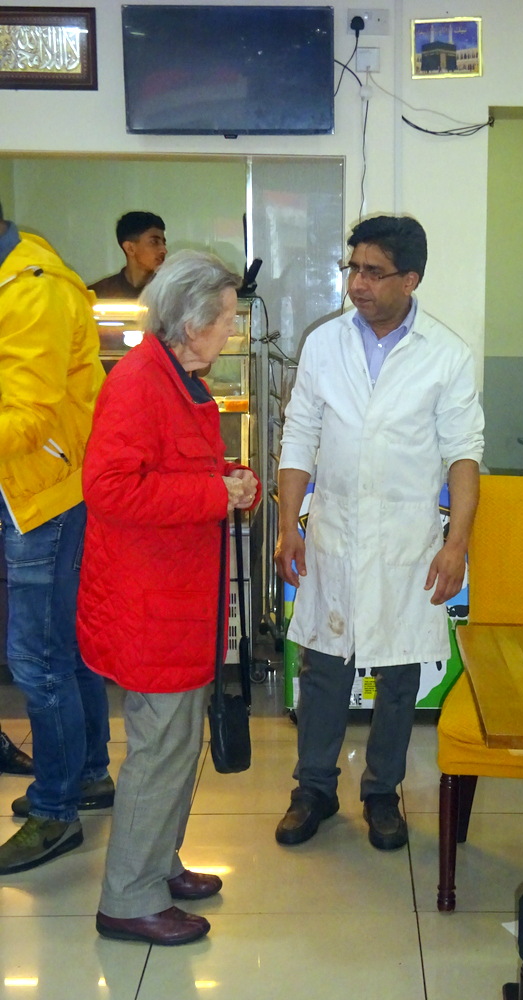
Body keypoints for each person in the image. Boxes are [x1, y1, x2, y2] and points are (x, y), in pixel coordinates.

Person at [274, 215, 484, 852]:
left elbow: (464, 454)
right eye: (353, 268)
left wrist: (456, 544)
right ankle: (313, 789)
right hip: (334, 528)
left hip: (405, 537)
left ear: (410, 279)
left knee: (398, 673)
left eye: (373, 272)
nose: (357, 284)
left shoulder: (446, 354)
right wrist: (287, 525)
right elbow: (300, 434)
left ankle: (382, 792)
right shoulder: (325, 343)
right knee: (324, 664)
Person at [77, 250, 260, 946]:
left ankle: (158, 862)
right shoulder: (138, 383)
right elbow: (111, 489)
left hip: (179, 600)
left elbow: (178, 466)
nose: (232, 329)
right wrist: (215, 493)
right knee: (160, 749)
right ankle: (128, 898)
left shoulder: (178, 376)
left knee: (180, 744)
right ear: (192, 323)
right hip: (150, 605)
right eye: (227, 318)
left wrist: (230, 479)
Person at [0, 201, 112, 875]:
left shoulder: (31, 290)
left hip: (47, 495)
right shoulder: (17, 277)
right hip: (39, 487)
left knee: (38, 660)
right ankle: (87, 773)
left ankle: (55, 810)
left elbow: (28, 414)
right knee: (65, 651)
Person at [88, 211, 167, 299]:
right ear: (130, 248)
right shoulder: (98, 294)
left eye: (164, 243)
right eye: (154, 242)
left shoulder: (169, 291)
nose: (164, 250)